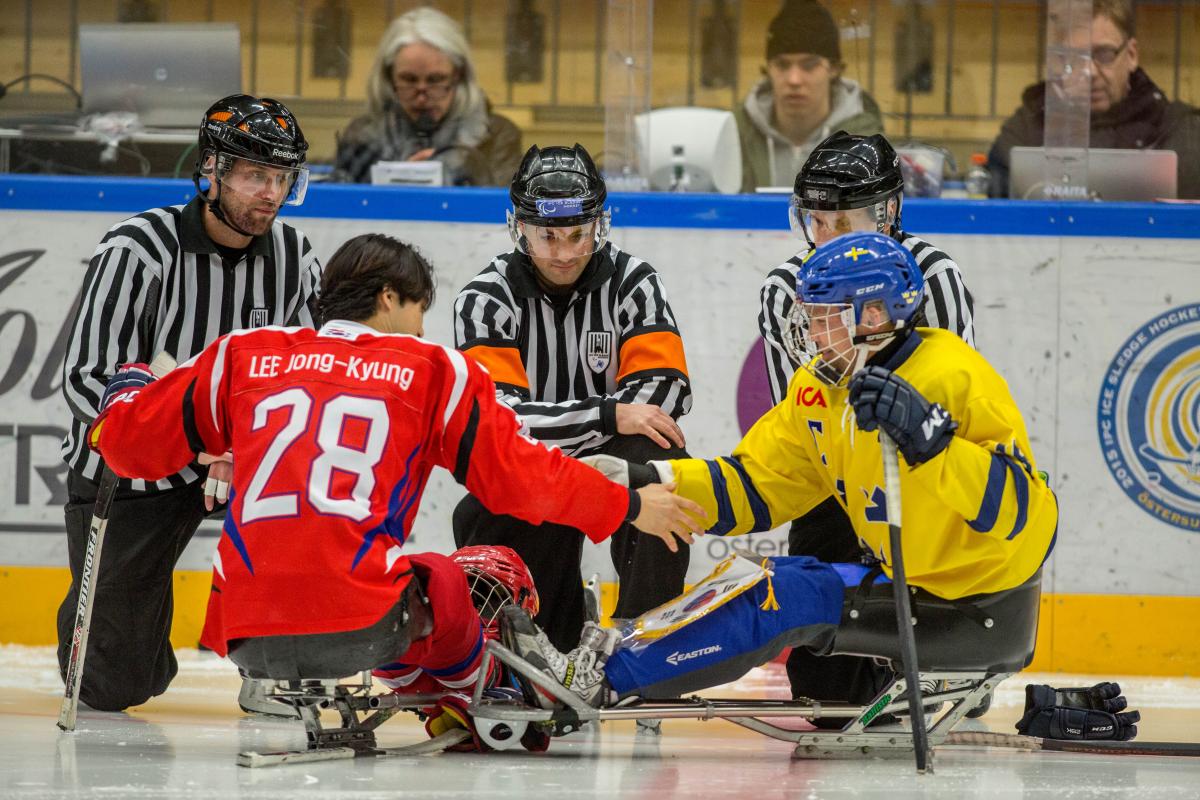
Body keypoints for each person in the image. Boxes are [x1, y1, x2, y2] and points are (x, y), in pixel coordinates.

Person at [83, 234, 705, 748]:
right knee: (474, 573)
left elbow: (125, 446)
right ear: (389, 298)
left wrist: (128, 387)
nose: (421, 327)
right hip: (363, 622)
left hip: (243, 632)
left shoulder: (243, 356)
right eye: (419, 311)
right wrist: (626, 505)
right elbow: (522, 478)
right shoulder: (431, 370)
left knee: (373, 573)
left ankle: (424, 684)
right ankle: (466, 687)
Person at [506, 231, 1058, 716]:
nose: (813, 333)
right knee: (756, 577)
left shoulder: (953, 374)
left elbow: (1028, 517)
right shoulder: (823, 389)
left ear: (870, 315)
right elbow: (754, 484)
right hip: (909, 583)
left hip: (977, 604)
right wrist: (648, 480)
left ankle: (597, 679)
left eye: (823, 316)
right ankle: (609, 652)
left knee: (785, 594)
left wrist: (934, 445)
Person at [57, 94, 321, 713]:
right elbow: (87, 380)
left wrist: (241, 449)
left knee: (318, 485)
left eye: (283, 178)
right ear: (211, 171)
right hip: (135, 469)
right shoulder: (137, 249)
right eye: (256, 174)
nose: (271, 194)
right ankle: (115, 634)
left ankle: (273, 661)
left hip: (243, 462)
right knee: (116, 685)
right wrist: (200, 443)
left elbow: (309, 384)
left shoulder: (295, 258)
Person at [758, 130, 976, 717]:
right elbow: (805, 424)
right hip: (834, 483)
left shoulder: (935, 275)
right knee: (828, 699)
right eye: (817, 222)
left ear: (889, 214)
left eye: (844, 221)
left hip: (922, 473)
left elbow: (956, 409)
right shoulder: (788, 289)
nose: (826, 237)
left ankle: (950, 652)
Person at [453, 143, 693, 652]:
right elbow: (498, 419)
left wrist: (595, 444)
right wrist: (607, 414)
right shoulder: (484, 297)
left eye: (577, 235)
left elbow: (664, 393)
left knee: (662, 459)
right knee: (487, 508)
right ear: (518, 227)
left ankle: (643, 646)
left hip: (613, 461)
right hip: (530, 469)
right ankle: (545, 635)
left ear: (598, 226)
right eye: (546, 236)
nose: (562, 253)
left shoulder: (635, 280)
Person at [986, 0, 1200, 199]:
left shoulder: (1178, 130)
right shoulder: (1030, 123)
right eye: (1074, 58)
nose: (1089, 71)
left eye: (1104, 54)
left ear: (1132, 55)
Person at [332, 6, 523, 186]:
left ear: (458, 76)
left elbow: (505, 209)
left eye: (436, 80)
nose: (422, 97)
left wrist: (468, 170)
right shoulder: (362, 136)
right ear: (389, 78)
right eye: (408, 80)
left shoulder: (498, 135)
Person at [734, 0, 884, 192]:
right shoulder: (737, 135)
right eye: (782, 65)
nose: (794, 79)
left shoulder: (864, 142)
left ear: (834, 69)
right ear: (768, 70)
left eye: (809, 65)